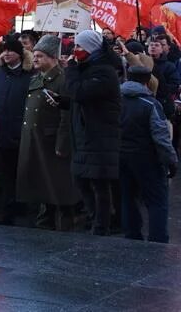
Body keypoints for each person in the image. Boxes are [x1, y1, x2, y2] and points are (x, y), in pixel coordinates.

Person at [16, 35, 79, 231]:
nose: (35, 59)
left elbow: (66, 116)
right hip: (36, 141)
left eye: (40, 56)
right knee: (42, 187)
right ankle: (45, 224)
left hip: (51, 143)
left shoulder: (63, 80)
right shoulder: (36, 78)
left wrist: (62, 144)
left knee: (58, 188)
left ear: (52, 58)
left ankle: (65, 226)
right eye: (34, 55)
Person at [64, 30, 122, 236]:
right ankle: (93, 217)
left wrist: (70, 69)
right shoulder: (87, 67)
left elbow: (79, 92)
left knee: (99, 183)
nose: (75, 51)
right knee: (81, 179)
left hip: (100, 136)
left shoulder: (105, 72)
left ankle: (101, 225)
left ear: (91, 48)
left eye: (79, 47)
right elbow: (77, 96)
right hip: (84, 135)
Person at [119, 65, 179, 243]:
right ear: (148, 81)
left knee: (127, 198)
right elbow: (161, 137)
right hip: (147, 159)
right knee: (156, 201)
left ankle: (132, 236)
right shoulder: (150, 104)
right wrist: (171, 162)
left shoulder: (116, 100)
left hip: (121, 156)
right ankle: (158, 240)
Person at [0, 36, 33, 225]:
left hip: (20, 131)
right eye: (4, 50)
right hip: (1, 130)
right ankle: (8, 208)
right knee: (5, 173)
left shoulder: (29, 75)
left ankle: (22, 206)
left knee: (21, 172)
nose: (6, 54)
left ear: (20, 54)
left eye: (11, 51)